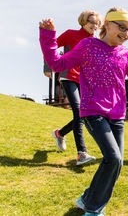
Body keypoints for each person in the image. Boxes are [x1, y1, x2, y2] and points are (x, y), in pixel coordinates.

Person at [39, 7, 128, 215]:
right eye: (122, 27)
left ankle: (88, 198)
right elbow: (56, 63)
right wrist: (47, 36)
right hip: (93, 111)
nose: (126, 34)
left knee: (117, 163)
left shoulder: (126, 54)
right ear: (107, 24)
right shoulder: (88, 45)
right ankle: (93, 209)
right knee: (113, 158)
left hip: (117, 115)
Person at [44, 10, 101, 166]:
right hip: (68, 76)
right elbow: (50, 46)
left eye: (97, 23)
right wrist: (47, 66)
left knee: (82, 115)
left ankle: (59, 133)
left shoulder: (94, 42)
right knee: (77, 110)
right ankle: (81, 153)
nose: (94, 26)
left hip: (84, 81)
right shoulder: (70, 34)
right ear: (83, 21)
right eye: (91, 22)